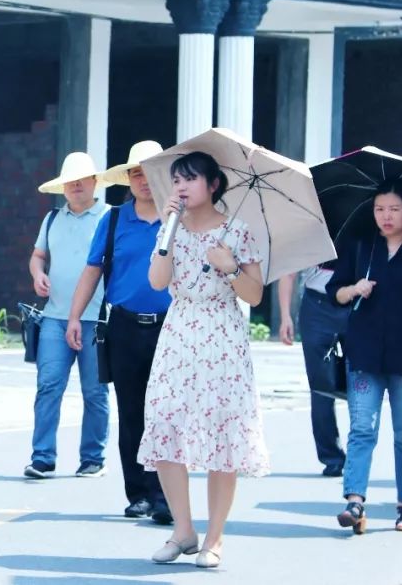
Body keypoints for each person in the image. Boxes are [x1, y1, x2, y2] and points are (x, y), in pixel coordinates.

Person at [142, 151, 269, 569]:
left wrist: (230, 268)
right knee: (164, 422)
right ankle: (183, 530)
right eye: (177, 179)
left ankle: (215, 538)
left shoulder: (238, 230)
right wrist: (167, 233)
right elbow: (159, 283)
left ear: (213, 184)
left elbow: (253, 295)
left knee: (222, 434)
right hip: (179, 331)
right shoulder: (170, 229)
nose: (181, 186)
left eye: (191, 178)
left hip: (222, 335)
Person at [68, 140, 174, 525]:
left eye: (151, 172)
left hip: (171, 328)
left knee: (164, 412)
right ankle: (140, 494)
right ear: (128, 179)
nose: (144, 180)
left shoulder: (178, 219)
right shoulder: (112, 221)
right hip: (125, 326)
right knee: (132, 413)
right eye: (136, 173)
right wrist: (76, 316)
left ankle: (165, 494)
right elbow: (92, 270)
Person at [328, 178, 402, 535]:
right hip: (364, 352)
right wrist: (354, 288)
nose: (386, 216)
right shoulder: (360, 245)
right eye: (379, 209)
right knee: (362, 428)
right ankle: (354, 501)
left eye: (394, 209)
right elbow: (334, 293)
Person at [25, 152, 110, 479]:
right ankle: (42, 457)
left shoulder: (109, 217)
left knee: (95, 390)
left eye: (81, 180)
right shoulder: (51, 219)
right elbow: (37, 256)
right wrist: (37, 274)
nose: (75, 186)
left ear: (94, 182)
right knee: (48, 386)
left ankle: (93, 458)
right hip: (54, 317)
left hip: (97, 320)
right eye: (69, 181)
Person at [277, 265, 349, 477]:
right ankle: (331, 457)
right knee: (320, 387)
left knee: (360, 384)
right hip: (317, 305)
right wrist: (285, 316)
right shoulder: (309, 231)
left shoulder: (362, 230)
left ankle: (358, 458)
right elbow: (288, 271)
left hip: (356, 301)